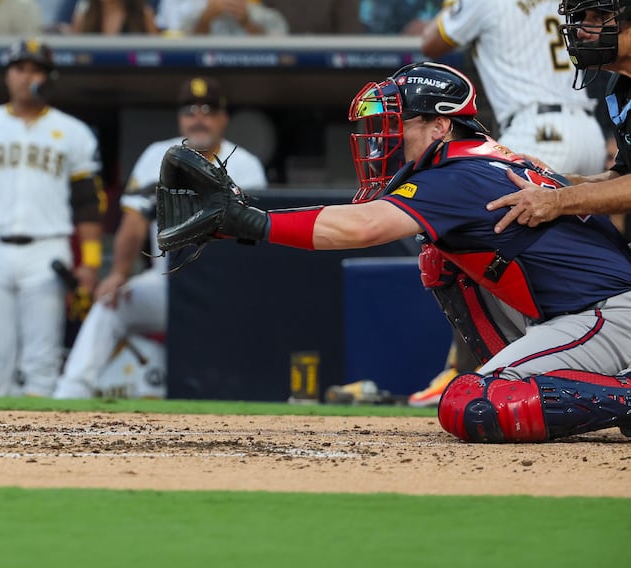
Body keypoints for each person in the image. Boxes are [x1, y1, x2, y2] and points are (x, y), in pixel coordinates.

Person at [156, 61, 631, 443]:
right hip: (583, 313)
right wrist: (234, 227)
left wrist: (249, 220)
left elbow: (360, 228)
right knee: (439, 258)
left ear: (441, 125)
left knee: (474, 402)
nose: (384, 137)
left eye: (396, 123)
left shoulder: (457, 173)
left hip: (608, 314)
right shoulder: (476, 158)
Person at [54, 76, 265, 400]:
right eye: (190, 110)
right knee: (112, 305)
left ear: (224, 118)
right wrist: (119, 274)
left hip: (229, 288)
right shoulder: (157, 155)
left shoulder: (247, 165)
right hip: (168, 282)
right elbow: (134, 220)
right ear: (180, 118)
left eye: (208, 110)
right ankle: (69, 395)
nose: (199, 118)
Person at [0, 40, 103, 397]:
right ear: (8, 75)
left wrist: (89, 262)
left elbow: (88, 202)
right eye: (20, 68)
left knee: (41, 360)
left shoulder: (73, 131)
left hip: (48, 250)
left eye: (36, 69)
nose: (27, 76)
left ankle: (41, 448)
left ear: (48, 78)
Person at [422, 0, 603, 175]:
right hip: (589, 136)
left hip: (536, 134)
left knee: (487, 211)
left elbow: (430, 44)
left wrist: (453, 0)